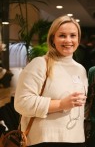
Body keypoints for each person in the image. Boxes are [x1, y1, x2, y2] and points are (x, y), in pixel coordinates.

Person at [14, 15, 88, 147]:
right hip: (45, 139)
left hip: (76, 139)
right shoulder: (40, 64)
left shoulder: (80, 69)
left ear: (78, 39)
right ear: (53, 38)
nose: (68, 40)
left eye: (73, 35)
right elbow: (21, 103)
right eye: (62, 35)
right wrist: (60, 104)